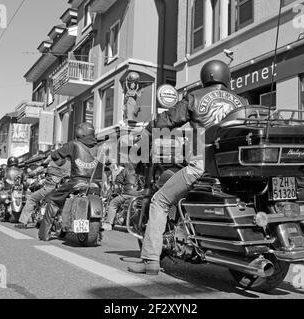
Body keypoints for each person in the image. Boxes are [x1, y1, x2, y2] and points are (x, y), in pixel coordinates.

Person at [127, 60, 246, 275]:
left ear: (205, 76)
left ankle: (150, 261)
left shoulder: (194, 96)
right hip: (235, 167)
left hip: (202, 166)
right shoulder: (241, 101)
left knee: (159, 201)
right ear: (227, 77)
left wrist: (147, 130)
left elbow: (167, 120)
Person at [38, 122, 104, 241]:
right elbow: (108, 164)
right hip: (97, 183)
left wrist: (50, 158)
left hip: (77, 181)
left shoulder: (73, 144)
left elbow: (56, 154)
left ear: (79, 132)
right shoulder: (100, 146)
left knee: (53, 200)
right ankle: (98, 230)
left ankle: (44, 234)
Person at [15, 147, 71, 229]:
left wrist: (30, 174)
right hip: (65, 189)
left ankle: (23, 222)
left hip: (50, 188)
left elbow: (36, 172)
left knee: (31, 199)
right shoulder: (69, 164)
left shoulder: (50, 163)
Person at [102, 163, 143, 231]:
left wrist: (115, 189)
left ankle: (108, 224)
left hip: (128, 195)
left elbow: (118, 182)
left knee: (113, 203)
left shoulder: (126, 170)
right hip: (142, 196)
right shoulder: (145, 171)